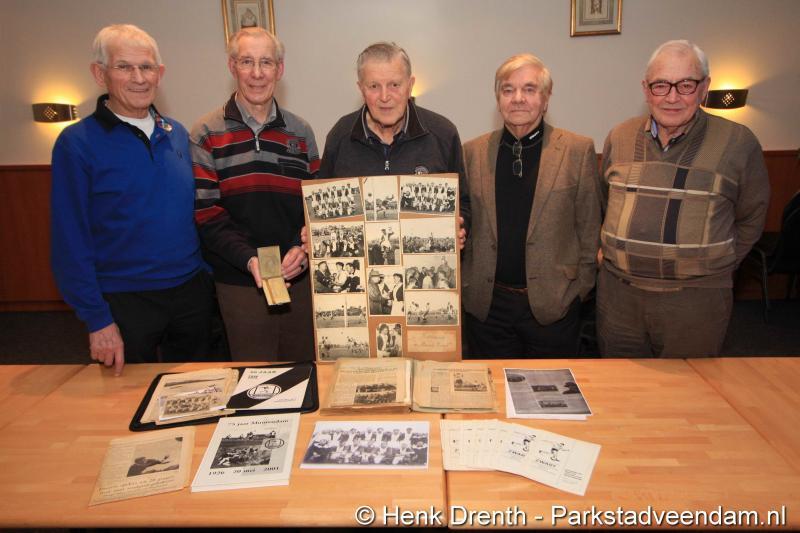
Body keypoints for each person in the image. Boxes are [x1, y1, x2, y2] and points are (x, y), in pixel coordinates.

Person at [51, 24, 214, 376]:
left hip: (190, 292)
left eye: (146, 67)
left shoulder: (176, 133)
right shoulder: (76, 143)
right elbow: (69, 239)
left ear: (160, 73)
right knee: (126, 399)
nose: (139, 78)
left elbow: (192, 212)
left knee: (199, 388)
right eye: (124, 67)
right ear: (100, 74)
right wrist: (97, 320)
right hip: (124, 301)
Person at [597, 40, 770, 357]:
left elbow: (752, 216)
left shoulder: (738, 143)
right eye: (661, 85)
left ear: (704, 87)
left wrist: (714, 266)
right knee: (621, 384)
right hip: (619, 298)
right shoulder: (619, 137)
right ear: (646, 89)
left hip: (696, 303)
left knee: (689, 386)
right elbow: (605, 204)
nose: (672, 97)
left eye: (686, 85)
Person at [191, 27, 320, 361]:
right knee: (253, 376)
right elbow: (207, 214)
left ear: (280, 69)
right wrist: (250, 260)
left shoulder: (301, 132)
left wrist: (301, 250)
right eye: (247, 61)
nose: (257, 73)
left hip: (298, 277)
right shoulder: (205, 133)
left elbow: (315, 207)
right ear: (232, 66)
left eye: (266, 62)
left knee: (305, 370)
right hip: (239, 282)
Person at [462, 53, 601, 358]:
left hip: (554, 306)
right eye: (508, 90)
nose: (518, 99)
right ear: (498, 98)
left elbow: (590, 230)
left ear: (546, 98)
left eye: (529, 89)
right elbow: (465, 220)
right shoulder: (471, 152)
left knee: (553, 388)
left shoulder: (577, 151)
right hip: (487, 309)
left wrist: (578, 292)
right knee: (492, 386)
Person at [318, 41, 470, 245]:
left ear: (410, 85)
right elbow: (322, 210)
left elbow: (463, 204)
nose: (384, 96)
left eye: (394, 85)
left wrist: (460, 226)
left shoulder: (443, 133)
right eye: (374, 86)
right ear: (361, 89)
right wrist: (315, 232)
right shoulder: (340, 136)